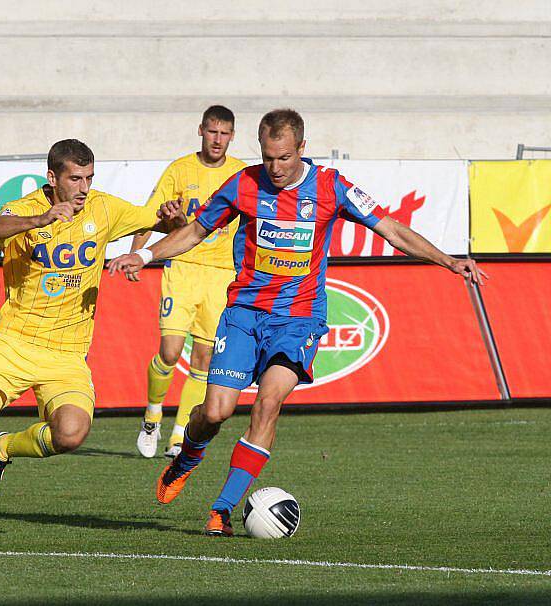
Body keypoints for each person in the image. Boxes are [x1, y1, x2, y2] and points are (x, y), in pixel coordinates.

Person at [108, 108, 488, 536]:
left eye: (284, 158)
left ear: (302, 149)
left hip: (298, 320)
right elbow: (195, 231)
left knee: (268, 404)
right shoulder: (243, 184)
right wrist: (142, 255)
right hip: (244, 315)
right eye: (269, 157)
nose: (275, 168)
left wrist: (450, 261)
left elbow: (393, 230)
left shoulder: (330, 187)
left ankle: (222, 509)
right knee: (215, 412)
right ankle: (189, 457)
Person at [0, 139, 182, 538]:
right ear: (52, 178)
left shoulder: (104, 208)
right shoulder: (26, 209)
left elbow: (159, 224)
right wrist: (40, 220)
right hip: (13, 344)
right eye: (75, 178)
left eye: (89, 177)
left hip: (66, 353)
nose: (83, 187)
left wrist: (171, 217)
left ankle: (3, 449)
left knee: (70, 434)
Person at [130, 106, 245, 459]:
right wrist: (138, 253)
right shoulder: (181, 169)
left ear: (232, 136)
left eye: (224, 133)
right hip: (181, 267)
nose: (217, 139)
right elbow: (149, 213)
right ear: (201, 131)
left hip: (221, 275)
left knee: (204, 357)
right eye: (212, 131)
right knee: (169, 350)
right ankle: (152, 417)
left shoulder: (241, 174)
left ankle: (178, 435)